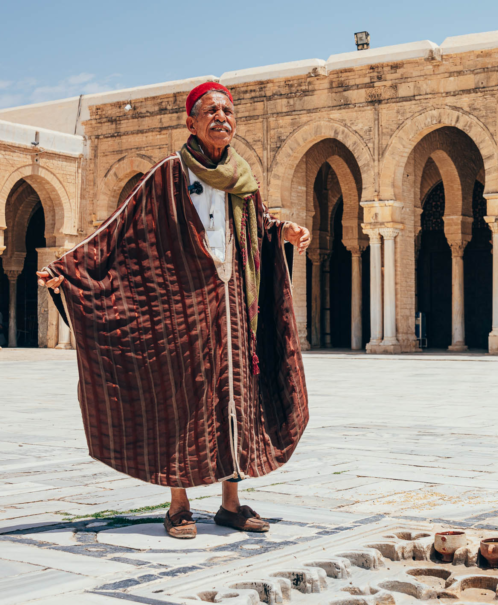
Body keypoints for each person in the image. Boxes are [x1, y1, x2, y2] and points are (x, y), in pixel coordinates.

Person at [38, 82, 310, 540]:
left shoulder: (243, 178)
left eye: (227, 110)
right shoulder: (168, 174)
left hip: (234, 308)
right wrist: (68, 268)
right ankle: (179, 504)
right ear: (191, 122)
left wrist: (282, 231)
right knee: (182, 398)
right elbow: (119, 230)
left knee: (236, 400)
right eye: (210, 111)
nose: (221, 117)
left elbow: (256, 225)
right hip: (186, 309)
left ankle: (230, 502)